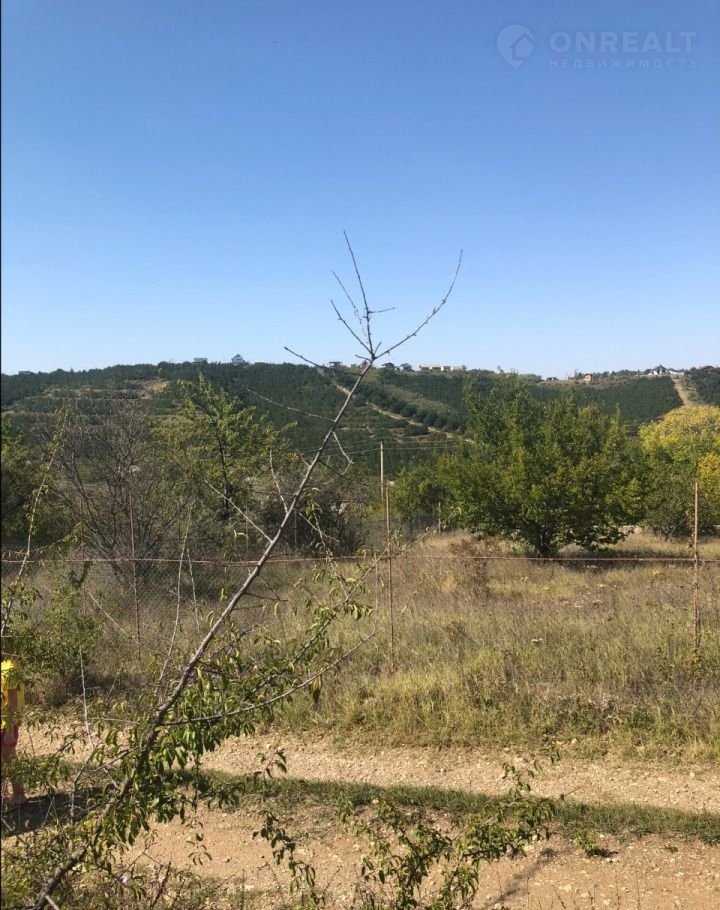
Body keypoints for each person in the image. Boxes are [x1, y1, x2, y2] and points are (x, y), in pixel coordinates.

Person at [1, 636, 27, 809]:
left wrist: (10, 731)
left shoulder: (10, 667)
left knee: (9, 758)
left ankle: (19, 794)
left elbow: (12, 701)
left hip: (6, 722)